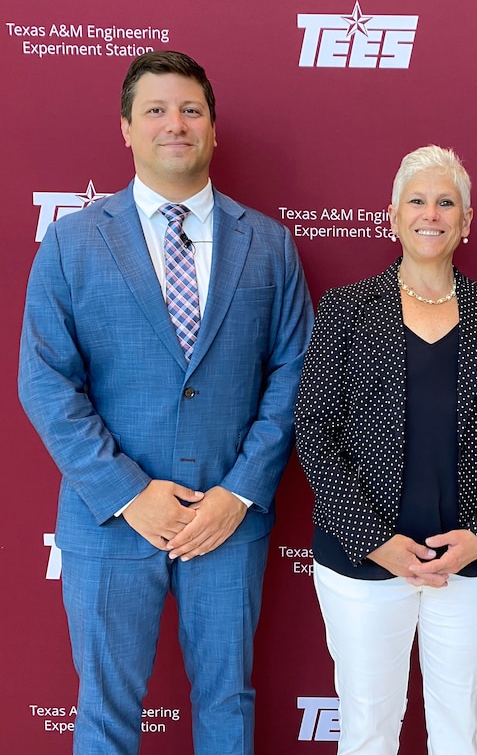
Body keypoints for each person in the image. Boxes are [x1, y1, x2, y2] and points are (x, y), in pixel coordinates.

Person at [18, 51, 313, 755]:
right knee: (106, 711)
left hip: (226, 521)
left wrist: (237, 494)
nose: (173, 124)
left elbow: (294, 373)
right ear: (126, 128)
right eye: (155, 110)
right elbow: (45, 381)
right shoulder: (71, 242)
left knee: (226, 703)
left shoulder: (268, 245)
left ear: (212, 128)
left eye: (190, 110)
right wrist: (130, 493)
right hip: (111, 524)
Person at [295, 145, 477, 755]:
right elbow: (314, 430)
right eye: (417, 200)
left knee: (461, 730)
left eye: (445, 202)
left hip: (471, 565)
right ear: (392, 214)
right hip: (362, 564)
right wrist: (373, 540)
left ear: (465, 221)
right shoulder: (346, 311)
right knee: (366, 731)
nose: (430, 213)